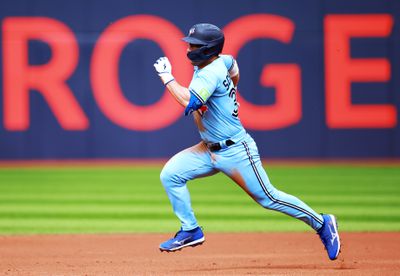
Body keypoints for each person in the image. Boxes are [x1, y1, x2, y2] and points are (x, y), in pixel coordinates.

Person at [153, 23, 341, 260]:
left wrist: (166, 77)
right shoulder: (220, 61)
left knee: (269, 198)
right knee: (170, 175)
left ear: (208, 49)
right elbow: (233, 64)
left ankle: (322, 223)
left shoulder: (210, 72)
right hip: (207, 149)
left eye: (194, 45)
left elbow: (187, 100)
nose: (189, 48)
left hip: (235, 150)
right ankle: (190, 229)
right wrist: (234, 86)